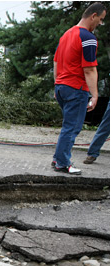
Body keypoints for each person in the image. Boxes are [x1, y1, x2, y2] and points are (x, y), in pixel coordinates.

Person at [52, 2, 106, 175]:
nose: (100, 24)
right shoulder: (88, 37)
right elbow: (89, 69)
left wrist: (57, 84)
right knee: (72, 127)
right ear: (93, 16)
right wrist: (95, 95)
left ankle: (58, 158)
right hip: (76, 88)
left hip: (62, 86)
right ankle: (62, 163)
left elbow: (56, 62)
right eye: (101, 20)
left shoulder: (66, 35)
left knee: (67, 126)